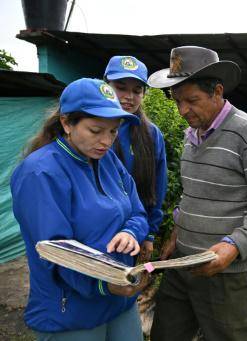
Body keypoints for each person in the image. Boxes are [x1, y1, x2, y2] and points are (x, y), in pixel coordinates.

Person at [147, 46, 247, 340]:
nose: (183, 111)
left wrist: (233, 246)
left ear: (217, 91)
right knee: (166, 333)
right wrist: (176, 233)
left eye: (192, 101)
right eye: (177, 101)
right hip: (182, 263)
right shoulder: (191, 135)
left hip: (227, 272)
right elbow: (193, 193)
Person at [10, 78, 150, 340]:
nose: (106, 141)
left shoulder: (107, 159)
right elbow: (55, 251)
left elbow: (137, 212)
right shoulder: (40, 173)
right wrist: (103, 284)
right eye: (96, 130)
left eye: (113, 131)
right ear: (66, 123)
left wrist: (131, 232)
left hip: (119, 301)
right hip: (71, 311)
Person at [104, 56, 167, 262]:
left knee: (126, 285)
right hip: (97, 230)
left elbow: (157, 187)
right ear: (106, 85)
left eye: (137, 90)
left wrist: (149, 233)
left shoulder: (151, 134)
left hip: (134, 231)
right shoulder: (89, 129)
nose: (128, 96)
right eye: (121, 87)